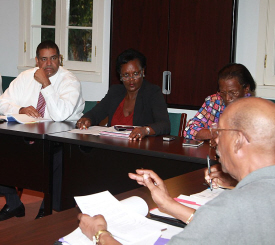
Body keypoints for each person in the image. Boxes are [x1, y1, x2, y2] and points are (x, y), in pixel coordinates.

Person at [77, 97, 275, 244]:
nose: (214, 141)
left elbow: (224, 219)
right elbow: (221, 226)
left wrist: (100, 234)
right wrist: (167, 204)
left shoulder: (233, 206)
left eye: (219, 132)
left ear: (238, 141)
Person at [0, 40, 84, 221]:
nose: (48, 64)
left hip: (62, 138)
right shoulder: (25, 77)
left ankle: (48, 209)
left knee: (55, 157)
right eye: (44, 59)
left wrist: (46, 84)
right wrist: (19, 109)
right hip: (28, 134)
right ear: (37, 61)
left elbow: (60, 115)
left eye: (53, 58)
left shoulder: (70, 81)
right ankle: (14, 202)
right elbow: (2, 103)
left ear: (59, 59)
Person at [76, 48, 170, 140]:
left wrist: (145, 130)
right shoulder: (115, 91)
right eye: (126, 75)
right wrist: (87, 119)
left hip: (139, 150)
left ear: (143, 72)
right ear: (120, 76)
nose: (131, 79)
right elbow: (96, 113)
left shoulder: (152, 92)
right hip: (113, 148)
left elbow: (164, 125)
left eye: (136, 74)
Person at [184, 63, 256, 143]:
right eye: (223, 92)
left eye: (233, 93)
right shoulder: (214, 101)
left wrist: (223, 136)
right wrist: (214, 134)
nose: (228, 98)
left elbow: (255, 140)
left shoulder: (255, 109)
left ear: (246, 88)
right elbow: (189, 130)